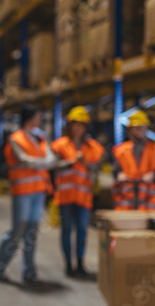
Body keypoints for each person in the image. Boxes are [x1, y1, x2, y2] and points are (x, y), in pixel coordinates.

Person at [0, 105, 66, 284]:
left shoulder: (40, 136)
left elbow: (51, 159)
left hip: (38, 191)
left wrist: (39, 163)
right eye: (38, 115)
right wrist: (43, 162)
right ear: (30, 118)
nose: (41, 119)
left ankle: (29, 271)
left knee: (31, 232)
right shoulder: (15, 139)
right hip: (22, 192)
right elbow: (24, 160)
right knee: (17, 231)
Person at [50, 106, 104, 277]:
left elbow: (97, 167)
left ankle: (80, 263)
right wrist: (72, 161)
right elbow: (52, 165)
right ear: (70, 126)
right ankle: (68, 264)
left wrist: (87, 163)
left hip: (83, 196)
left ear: (86, 127)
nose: (78, 128)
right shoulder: (59, 145)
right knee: (66, 229)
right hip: (65, 196)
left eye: (81, 124)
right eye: (75, 124)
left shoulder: (93, 147)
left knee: (82, 230)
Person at [112, 110, 155, 211]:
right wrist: (119, 175)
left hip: (148, 201)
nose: (136, 132)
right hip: (126, 201)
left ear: (146, 129)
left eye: (140, 128)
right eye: (133, 129)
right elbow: (116, 171)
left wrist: (154, 176)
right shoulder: (120, 150)